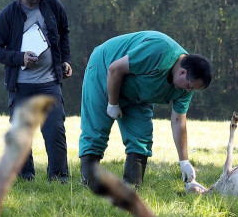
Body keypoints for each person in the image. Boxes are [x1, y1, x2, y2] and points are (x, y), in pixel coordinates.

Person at [78, 31, 211, 187]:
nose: (188, 91)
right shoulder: (159, 50)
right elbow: (115, 69)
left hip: (138, 92)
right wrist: (113, 103)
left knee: (141, 136)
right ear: (182, 72)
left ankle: (132, 185)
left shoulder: (185, 87)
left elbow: (178, 121)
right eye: (189, 86)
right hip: (104, 68)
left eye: (192, 89)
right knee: (96, 129)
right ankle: (89, 182)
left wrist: (184, 161)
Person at [0, 0, 72, 182]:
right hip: (21, 86)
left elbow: (64, 33)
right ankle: (26, 178)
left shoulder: (53, 6)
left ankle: (60, 179)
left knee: (55, 132)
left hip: (50, 82)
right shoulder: (9, 14)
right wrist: (19, 57)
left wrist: (65, 60)